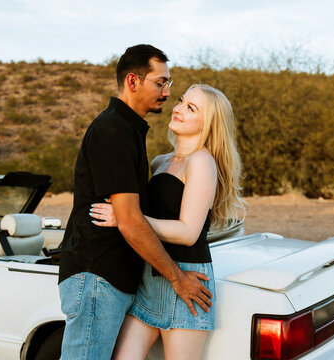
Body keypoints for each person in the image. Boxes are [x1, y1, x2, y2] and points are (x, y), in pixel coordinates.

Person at [57, 45, 214, 360]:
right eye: (161, 83)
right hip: (98, 275)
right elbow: (130, 220)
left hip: (122, 278)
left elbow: (143, 219)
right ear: (133, 81)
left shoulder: (130, 133)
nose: (168, 94)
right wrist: (178, 278)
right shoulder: (115, 131)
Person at [90, 84, 246, 359]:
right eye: (181, 101)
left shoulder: (201, 161)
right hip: (151, 276)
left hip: (188, 279)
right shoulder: (160, 162)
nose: (178, 109)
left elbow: (188, 232)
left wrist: (127, 219)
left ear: (208, 122)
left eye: (191, 108)